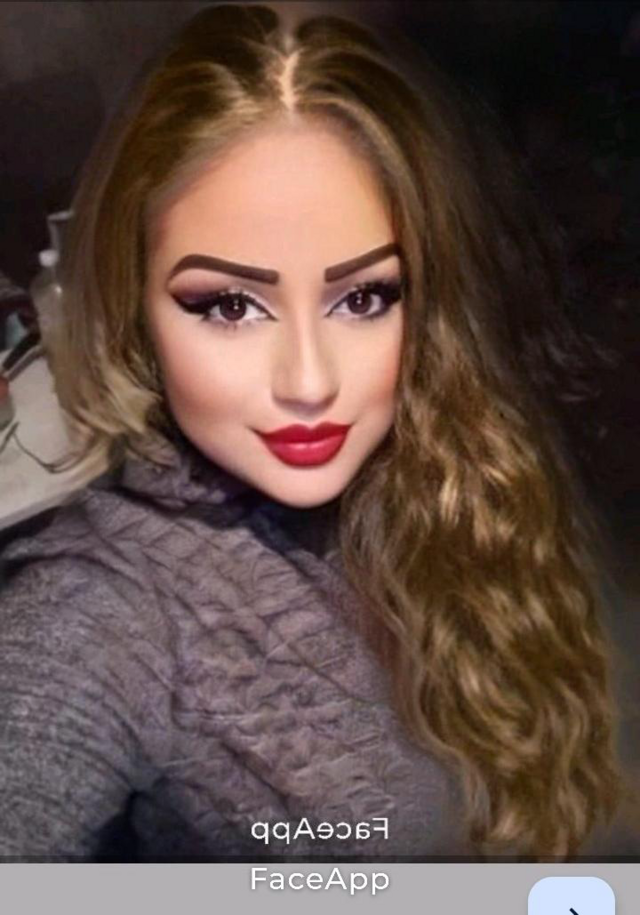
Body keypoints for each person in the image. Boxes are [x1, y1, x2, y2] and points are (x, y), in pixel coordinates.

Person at [0, 3, 634, 862]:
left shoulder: (458, 461)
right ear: (135, 305)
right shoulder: (98, 615)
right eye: (230, 305)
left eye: (362, 298)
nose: (310, 382)